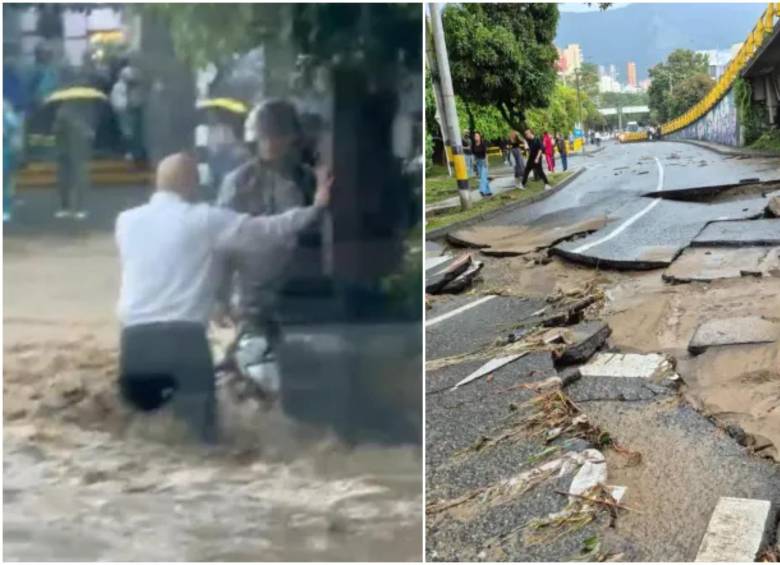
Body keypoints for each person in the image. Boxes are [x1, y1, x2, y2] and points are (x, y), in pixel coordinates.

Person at [115, 152, 332, 442]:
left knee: (142, 437)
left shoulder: (126, 222)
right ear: (192, 183)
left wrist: (218, 292)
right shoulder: (205, 220)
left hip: (135, 345)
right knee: (201, 441)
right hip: (183, 341)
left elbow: (166, 263)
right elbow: (267, 232)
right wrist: (316, 206)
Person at [216, 99, 318, 390]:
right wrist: (220, 295)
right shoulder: (237, 183)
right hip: (252, 292)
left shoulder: (309, 182)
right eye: (266, 136)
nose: (272, 142)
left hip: (299, 288)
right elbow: (223, 242)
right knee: (253, 361)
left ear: (293, 139)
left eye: (279, 135)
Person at [53, 100, 95, 220]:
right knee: (78, 178)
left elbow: (55, 131)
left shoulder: (61, 113)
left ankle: (66, 208)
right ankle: (78, 208)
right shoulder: (84, 114)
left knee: (65, 178)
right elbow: (88, 134)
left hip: (65, 152)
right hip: (75, 152)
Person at [3, 100, 22, 222]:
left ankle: (5, 209)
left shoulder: (8, 116)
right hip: (7, 151)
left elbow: (15, 128)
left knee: (5, 183)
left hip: (6, 152)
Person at [472, 131, 492, 198]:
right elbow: (474, 154)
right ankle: (488, 191)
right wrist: (474, 162)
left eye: (477, 136)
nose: (476, 137)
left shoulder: (483, 144)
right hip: (478, 162)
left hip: (483, 161)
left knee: (483, 177)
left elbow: (486, 153)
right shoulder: (473, 145)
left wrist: (486, 161)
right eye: (475, 136)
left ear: (480, 137)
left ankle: (482, 190)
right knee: (483, 177)